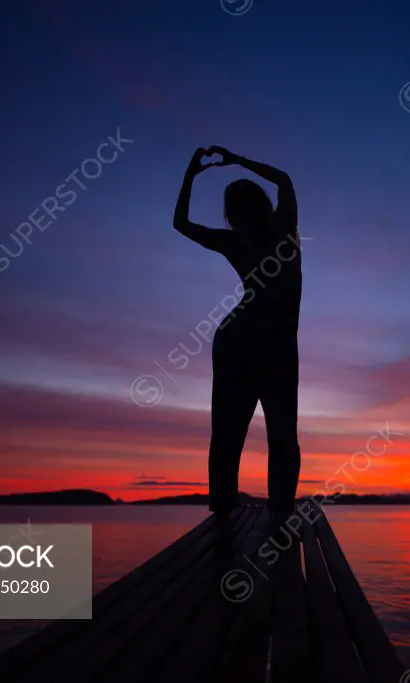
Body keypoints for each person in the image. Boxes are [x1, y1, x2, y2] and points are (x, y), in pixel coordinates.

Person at [173, 145, 302, 518]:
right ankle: (279, 514)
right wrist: (237, 158)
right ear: (263, 202)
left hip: (236, 340)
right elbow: (283, 179)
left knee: (228, 436)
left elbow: (180, 223)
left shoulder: (235, 240)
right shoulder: (285, 228)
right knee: (280, 437)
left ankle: (223, 516)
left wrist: (192, 173)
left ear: (231, 214)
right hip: (272, 345)